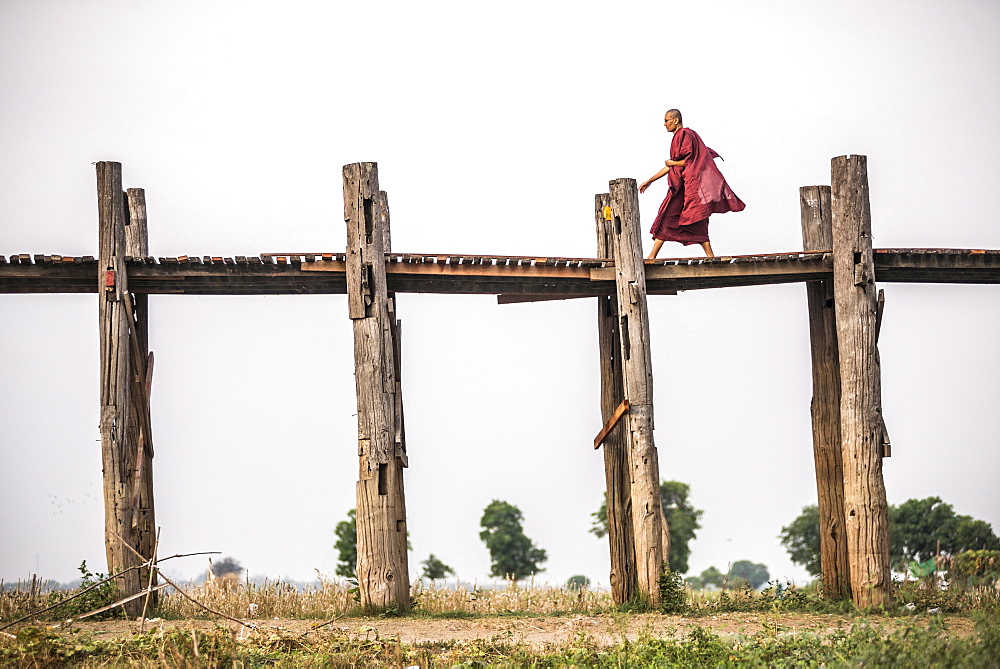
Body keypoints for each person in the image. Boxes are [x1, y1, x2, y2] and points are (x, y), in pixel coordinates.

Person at [639, 110, 745, 259]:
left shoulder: (685, 134)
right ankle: (651, 256)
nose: (664, 124)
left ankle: (710, 256)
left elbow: (693, 161)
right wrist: (650, 181)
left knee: (697, 219)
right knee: (667, 217)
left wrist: (673, 162)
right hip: (681, 186)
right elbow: (673, 166)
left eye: (666, 120)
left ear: (675, 121)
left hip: (691, 187)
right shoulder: (677, 137)